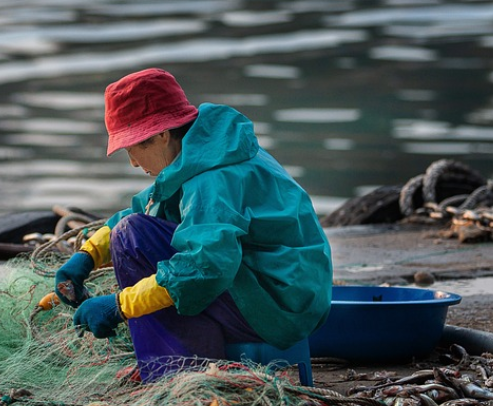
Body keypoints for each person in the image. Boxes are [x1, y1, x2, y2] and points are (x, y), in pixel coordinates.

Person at [54, 68, 332, 382]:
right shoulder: (209, 152)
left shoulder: (212, 178)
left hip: (278, 308)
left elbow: (205, 268)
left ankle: (177, 376)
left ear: (161, 134)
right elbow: (148, 208)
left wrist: (120, 306)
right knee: (133, 230)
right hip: (286, 291)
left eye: (133, 149)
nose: (132, 162)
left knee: (132, 238)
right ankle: (179, 359)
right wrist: (87, 256)